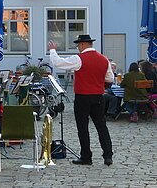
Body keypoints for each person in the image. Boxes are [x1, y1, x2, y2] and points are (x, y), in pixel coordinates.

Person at [48, 35, 113, 166]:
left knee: (83, 128)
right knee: (101, 126)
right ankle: (108, 156)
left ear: (82, 45)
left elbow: (58, 63)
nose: (78, 48)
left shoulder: (79, 59)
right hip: (98, 96)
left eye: (79, 46)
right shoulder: (104, 59)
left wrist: (52, 50)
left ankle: (86, 157)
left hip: (83, 96)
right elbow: (110, 79)